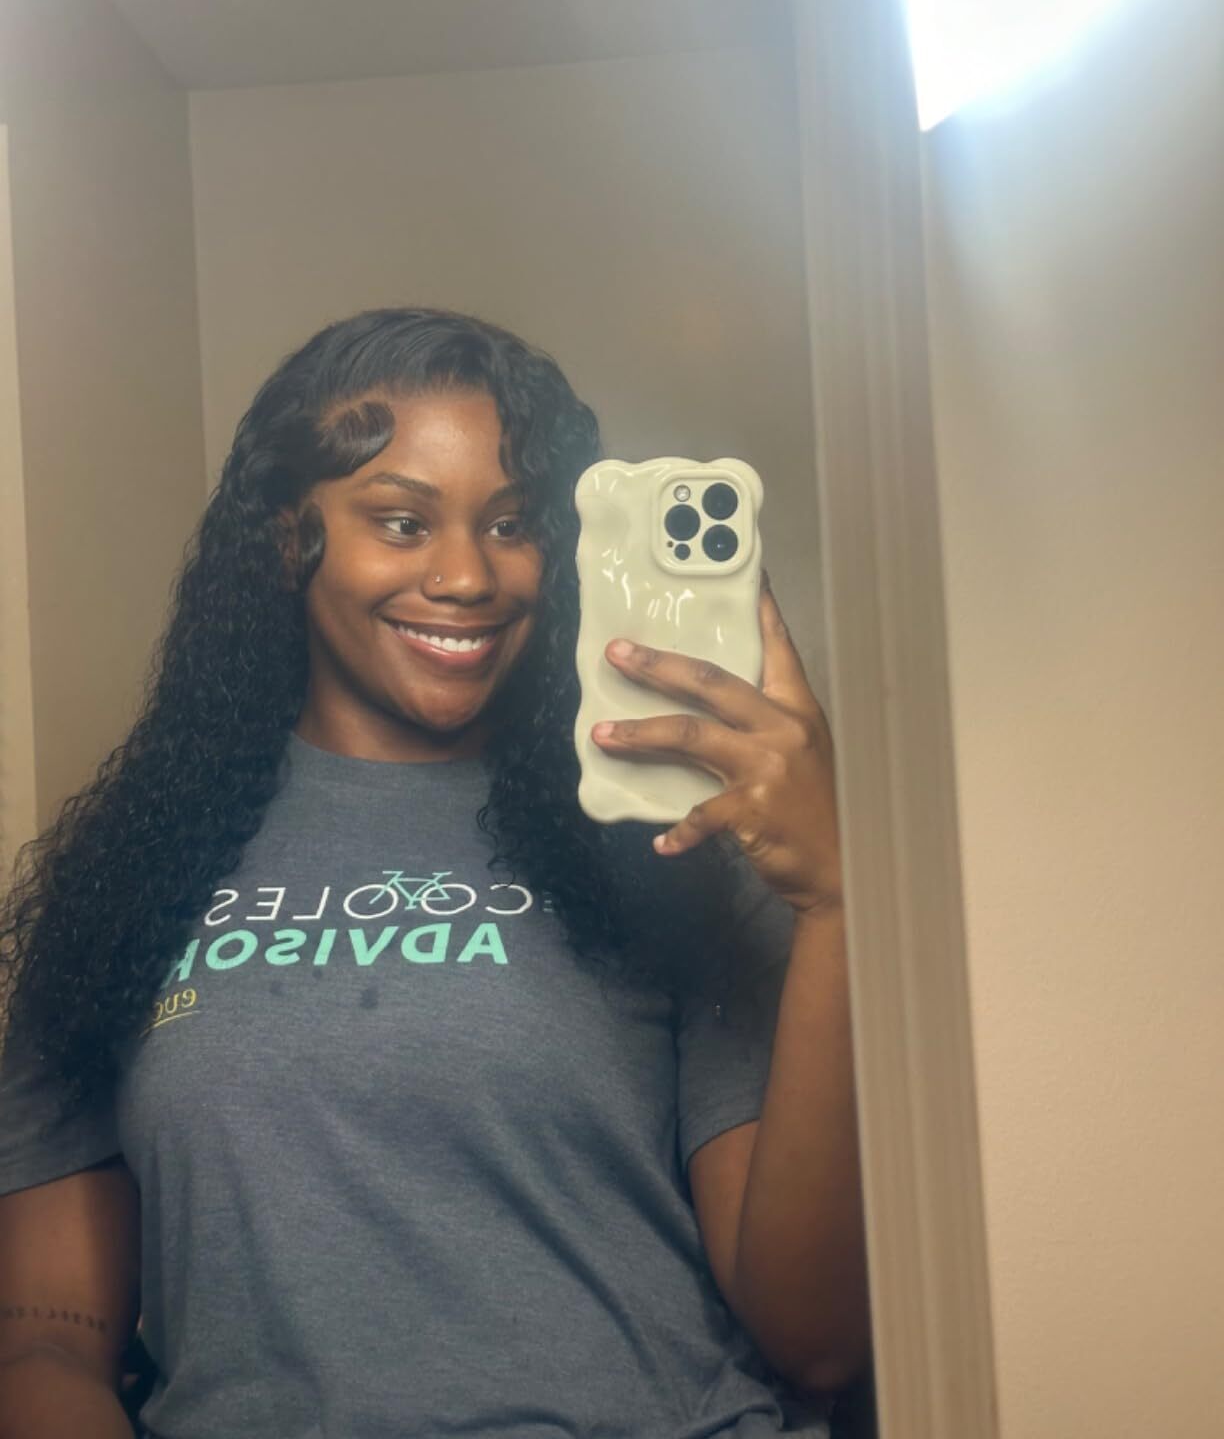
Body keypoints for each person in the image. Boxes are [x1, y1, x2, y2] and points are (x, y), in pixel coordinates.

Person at [0, 307, 870, 1438]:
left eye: (512, 524)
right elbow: (46, 1343)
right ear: (286, 536)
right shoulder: (132, 875)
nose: (468, 576)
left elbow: (816, 1337)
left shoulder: (668, 846)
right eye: (402, 522)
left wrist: (835, 902)